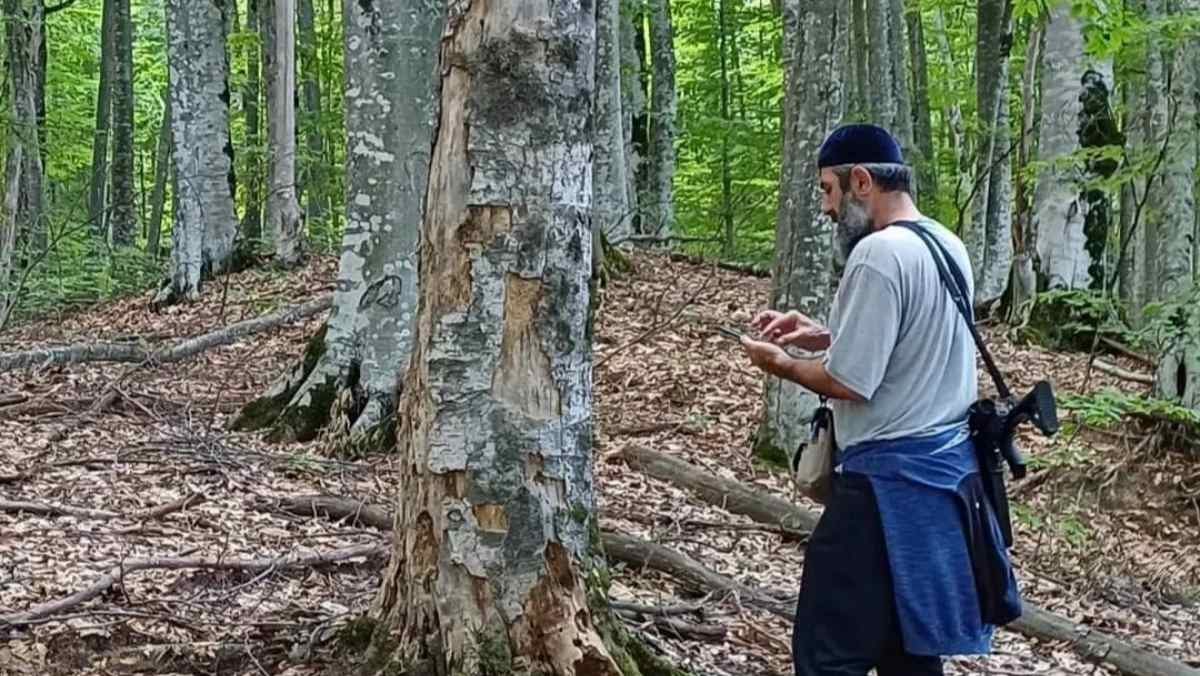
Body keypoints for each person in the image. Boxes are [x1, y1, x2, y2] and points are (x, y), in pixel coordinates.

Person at [737, 123, 1020, 676]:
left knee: (827, 653)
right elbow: (911, 345)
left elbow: (851, 382)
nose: (825, 207)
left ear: (860, 181)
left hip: (881, 493)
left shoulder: (877, 256)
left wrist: (781, 364)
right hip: (944, 492)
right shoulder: (945, 243)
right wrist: (819, 334)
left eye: (827, 190)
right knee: (909, 654)